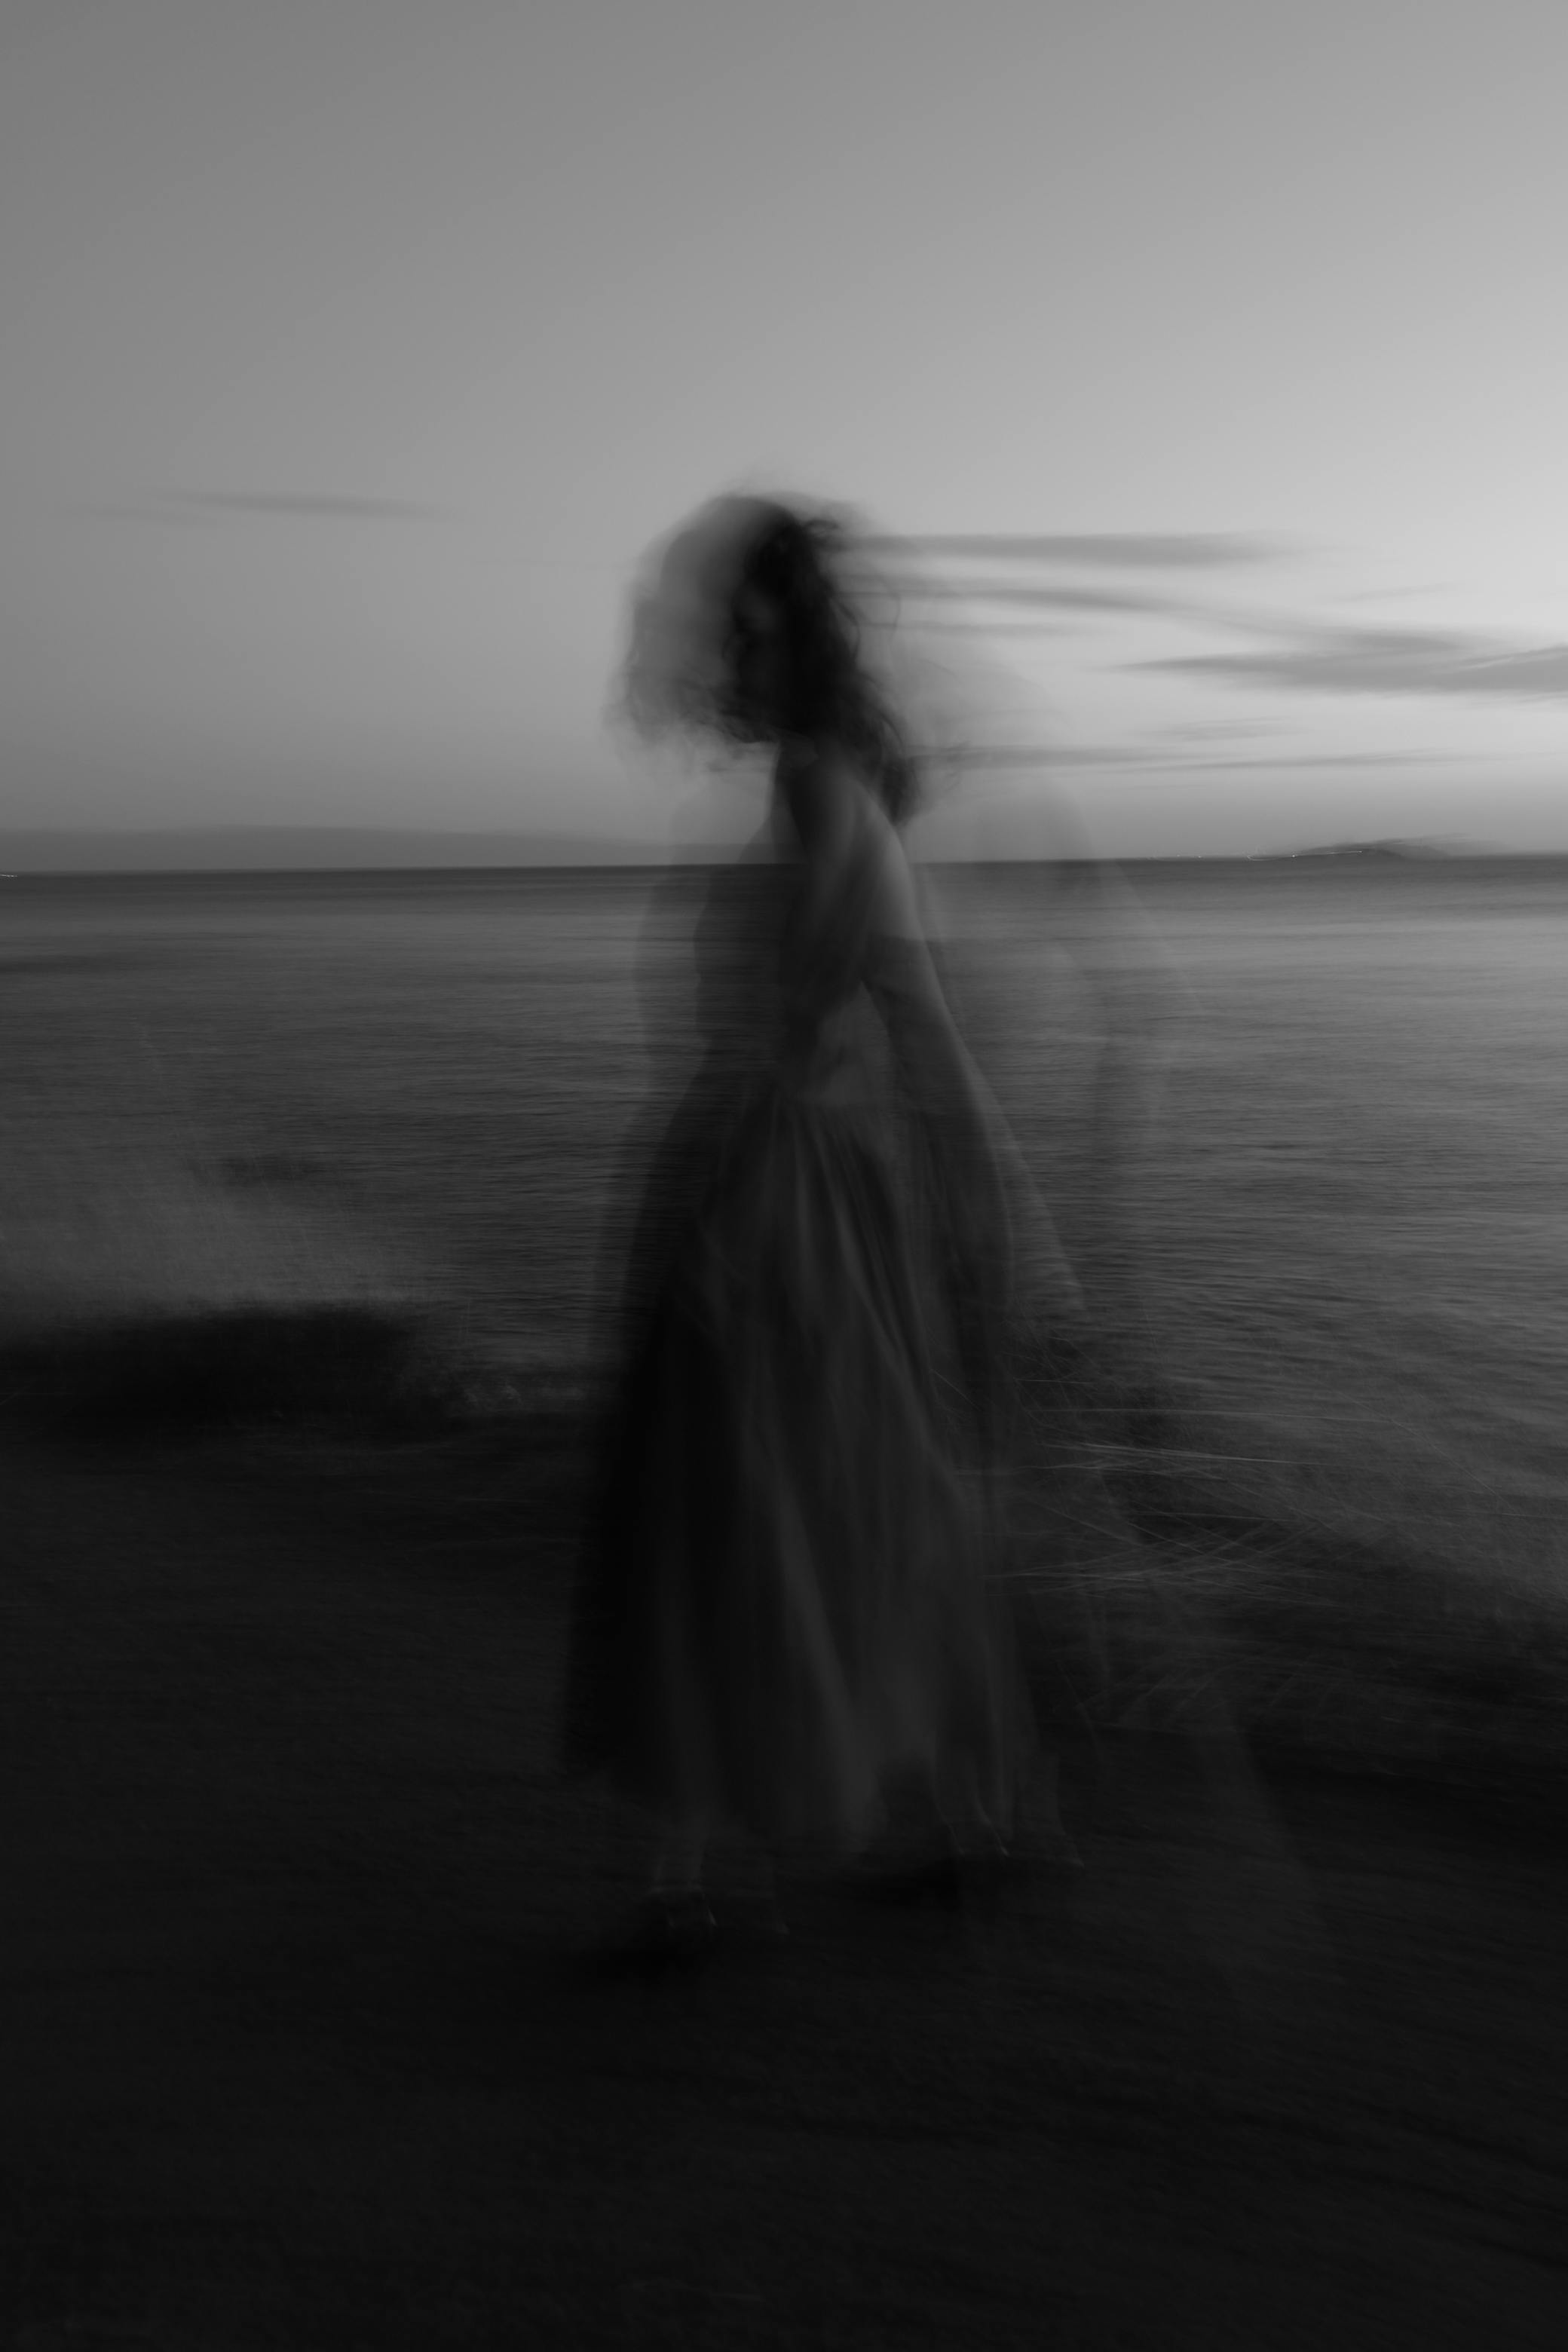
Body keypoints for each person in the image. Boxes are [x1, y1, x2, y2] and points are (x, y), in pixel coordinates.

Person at [561, 496, 1089, 1956]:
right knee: (842, 1505)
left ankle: (691, 1883)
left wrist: (1008, 1233)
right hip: (789, 1188)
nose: (709, 640)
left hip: (775, 1204)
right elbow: (897, 1039)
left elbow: (913, 1034)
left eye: (737, 615)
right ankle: (967, 1824)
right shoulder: (828, 789)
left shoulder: (818, 795)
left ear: (787, 634)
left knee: (736, 1515)